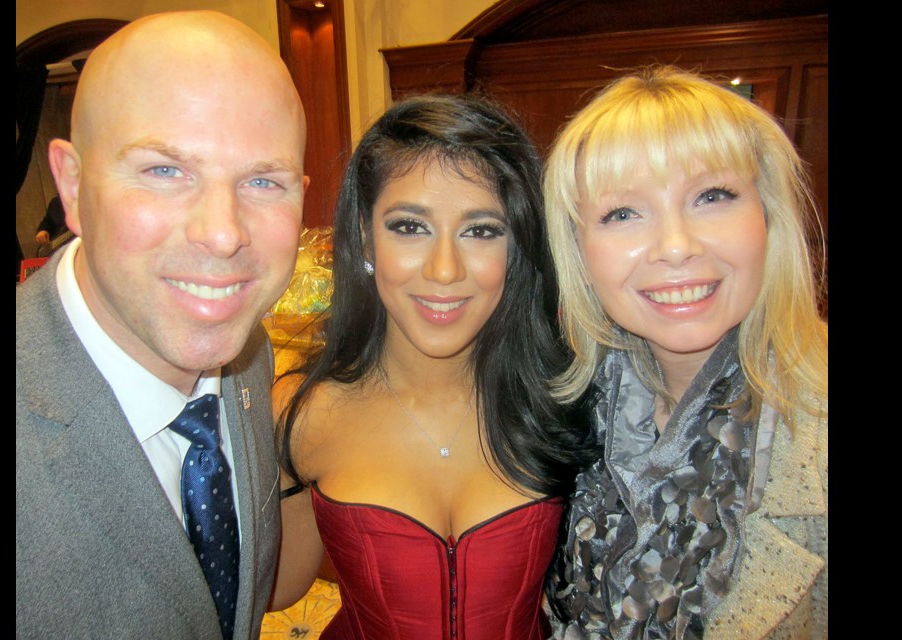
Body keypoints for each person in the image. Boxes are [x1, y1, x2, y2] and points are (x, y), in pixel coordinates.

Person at [16, 11, 308, 640]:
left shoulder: (249, 353)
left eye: (264, 180)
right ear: (72, 185)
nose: (224, 233)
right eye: (165, 171)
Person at [268, 94, 597, 639]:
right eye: (410, 227)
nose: (444, 270)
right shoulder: (302, 410)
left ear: (518, 246)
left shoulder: (566, 393)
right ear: (364, 235)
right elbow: (279, 590)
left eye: (481, 230)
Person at [542, 66, 828, 639]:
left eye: (712, 196)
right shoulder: (559, 409)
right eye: (623, 213)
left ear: (769, 216)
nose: (675, 247)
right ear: (578, 251)